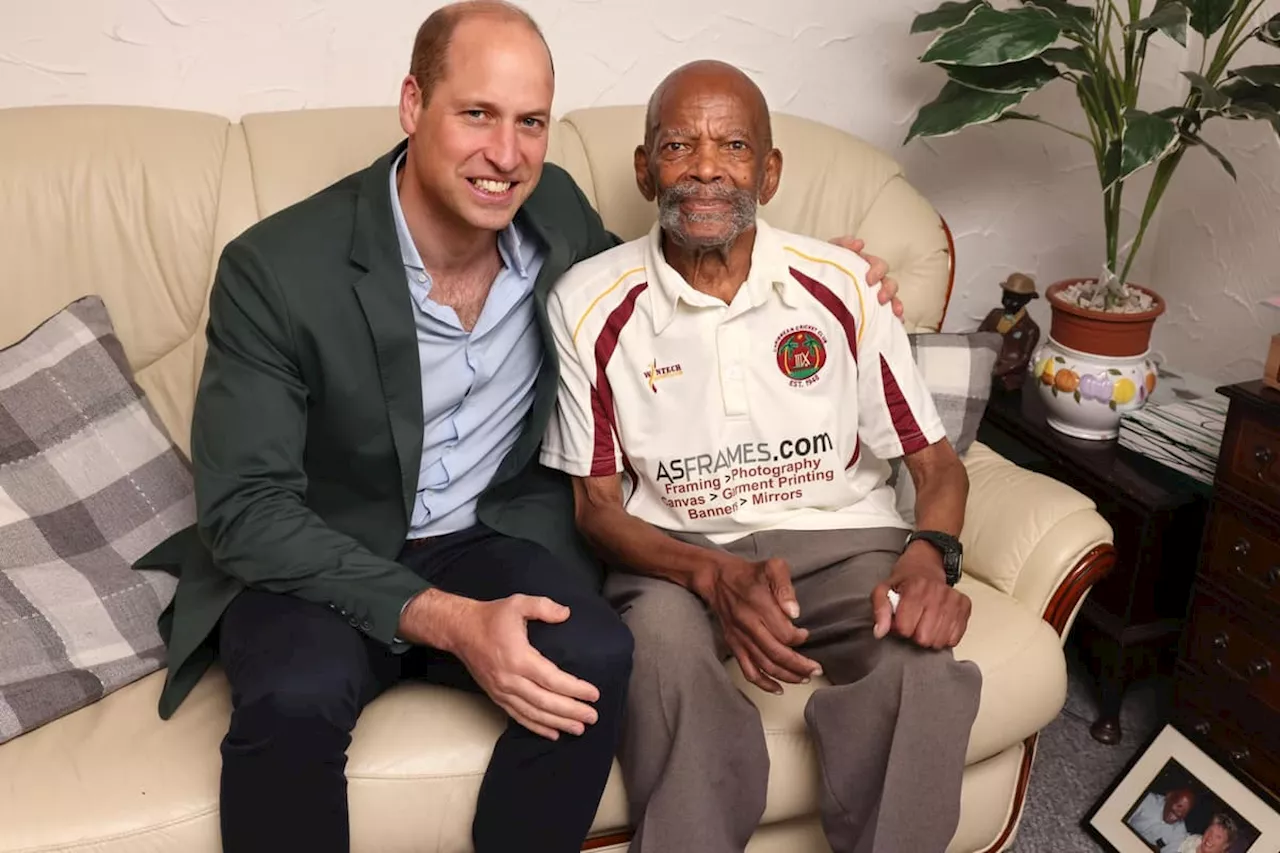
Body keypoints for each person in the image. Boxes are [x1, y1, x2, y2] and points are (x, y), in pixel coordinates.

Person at [132, 3, 906, 851]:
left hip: (483, 534)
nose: (506, 155)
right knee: (296, 694)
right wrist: (449, 618)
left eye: (530, 122)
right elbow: (246, 509)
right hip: (319, 547)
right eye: (477, 114)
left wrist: (821, 273)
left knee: (599, 654)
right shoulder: (273, 269)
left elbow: (660, 288)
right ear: (412, 105)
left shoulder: (556, 215)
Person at [538, 59, 982, 853]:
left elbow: (936, 464)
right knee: (665, 662)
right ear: (644, 171)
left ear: (768, 173)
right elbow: (596, 509)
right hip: (673, 555)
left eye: (734, 145)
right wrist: (710, 573)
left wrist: (929, 554)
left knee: (921, 666)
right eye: (678, 145)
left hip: (842, 543)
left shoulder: (844, 286)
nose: (706, 167)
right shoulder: (588, 303)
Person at [976, 272, 1040, 391]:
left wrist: (997, 371)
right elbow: (979, 336)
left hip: (1008, 383)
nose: (1009, 301)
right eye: (1007, 296)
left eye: (1015, 299)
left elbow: (1022, 360)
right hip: (984, 374)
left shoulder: (1030, 329)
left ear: (1027, 300)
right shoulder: (994, 314)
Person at [1128, 787, 1197, 851]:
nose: (1179, 813)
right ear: (1169, 797)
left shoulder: (1179, 833)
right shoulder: (1146, 800)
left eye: (1185, 811)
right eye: (1179, 806)